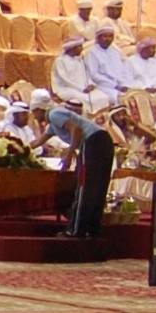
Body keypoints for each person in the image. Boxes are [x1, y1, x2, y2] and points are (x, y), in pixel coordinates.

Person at [41, 98, 116, 238]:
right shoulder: (53, 124)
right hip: (104, 140)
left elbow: (76, 130)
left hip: (92, 142)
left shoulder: (53, 114)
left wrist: (69, 155)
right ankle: (92, 229)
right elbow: (37, 142)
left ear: (38, 110)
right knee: (98, 187)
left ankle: (75, 230)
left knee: (84, 187)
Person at [50, 37, 112, 111]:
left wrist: (90, 84)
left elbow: (87, 74)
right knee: (88, 100)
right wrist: (81, 88)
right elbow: (65, 80)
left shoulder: (80, 59)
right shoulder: (60, 61)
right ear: (72, 48)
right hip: (67, 89)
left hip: (84, 88)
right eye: (79, 47)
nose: (82, 49)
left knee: (103, 96)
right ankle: (88, 115)